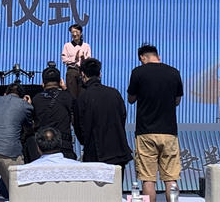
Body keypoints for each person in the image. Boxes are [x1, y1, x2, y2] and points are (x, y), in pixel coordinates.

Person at [127, 44, 183, 202]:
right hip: (169, 132)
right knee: (171, 178)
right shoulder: (174, 72)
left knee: (148, 179)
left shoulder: (138, 72)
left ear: (142, 57)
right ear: (158, 56)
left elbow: (131, 99)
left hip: (145, 132)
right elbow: (177, 101)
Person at [74, 58, 132, 181]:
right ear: (100, 74)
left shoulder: (83, 97)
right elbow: (122, 117)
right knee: (116, 190)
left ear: (83, 74)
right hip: (118, 152)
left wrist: (86, 142)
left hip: (95, 154)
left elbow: (79, 127)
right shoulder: (114, 93)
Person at [30, 67, 76, 160]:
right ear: (60, 82)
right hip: (64, 146)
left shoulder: (36, 99)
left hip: (43, 147)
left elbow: (33, 123)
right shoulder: (67, 97)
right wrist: (65, 89)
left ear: (43, 83)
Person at [60, 23, 91, 98]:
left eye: (76, 32)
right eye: (72, 32)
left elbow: (89, 60)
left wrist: (83, 58)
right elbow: (64, 59)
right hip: (72, 70)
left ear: (81, 33)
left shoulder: (86, 46)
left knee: (83, 94)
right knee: (71, 94)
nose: (74, 34)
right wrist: (75, 58)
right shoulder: (67, 45)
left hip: (83, 72)